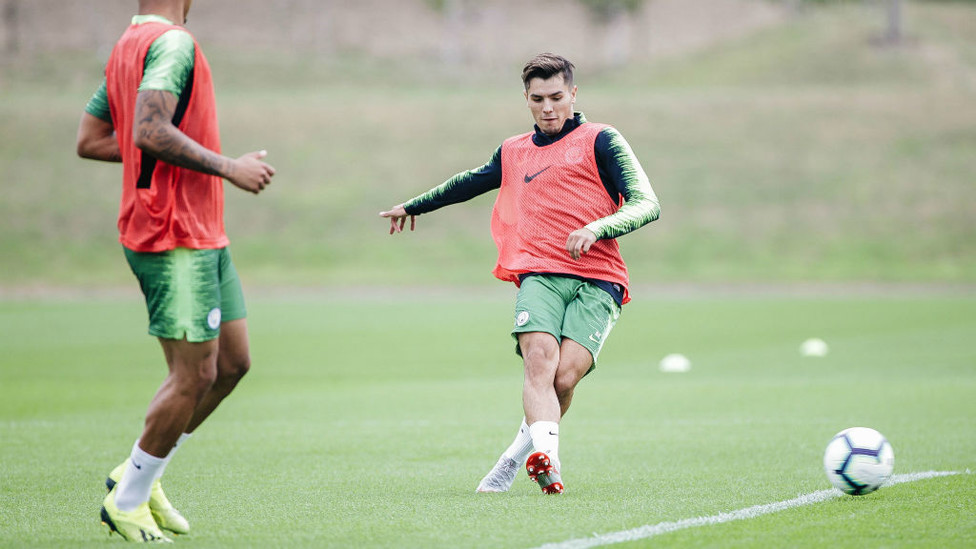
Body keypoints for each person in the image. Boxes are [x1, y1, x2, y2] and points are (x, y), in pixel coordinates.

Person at [379, 53, 660, 495]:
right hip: (539, 273)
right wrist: (414, 205)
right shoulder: (514, 150)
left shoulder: (601, 139)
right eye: (537, 99)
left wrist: (597, 226)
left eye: (556, 97)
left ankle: (513, 458)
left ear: (573, 93)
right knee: (538, 363)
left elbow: (647, 202)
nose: (548, 107)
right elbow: (469, 181)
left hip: (599, 278)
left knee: (564, 379)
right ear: (526, 99)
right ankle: (550, 461)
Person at [76, 0, 275, 541]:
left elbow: (94, 139)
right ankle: (130, 499)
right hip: (172, 234)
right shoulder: (173, 44)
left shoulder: (127, 45)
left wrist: (173, 156)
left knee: (233, 363)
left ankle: (143, 470)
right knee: (195, 375)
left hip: (203, 231)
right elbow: (147, 129)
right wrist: (227, 165)